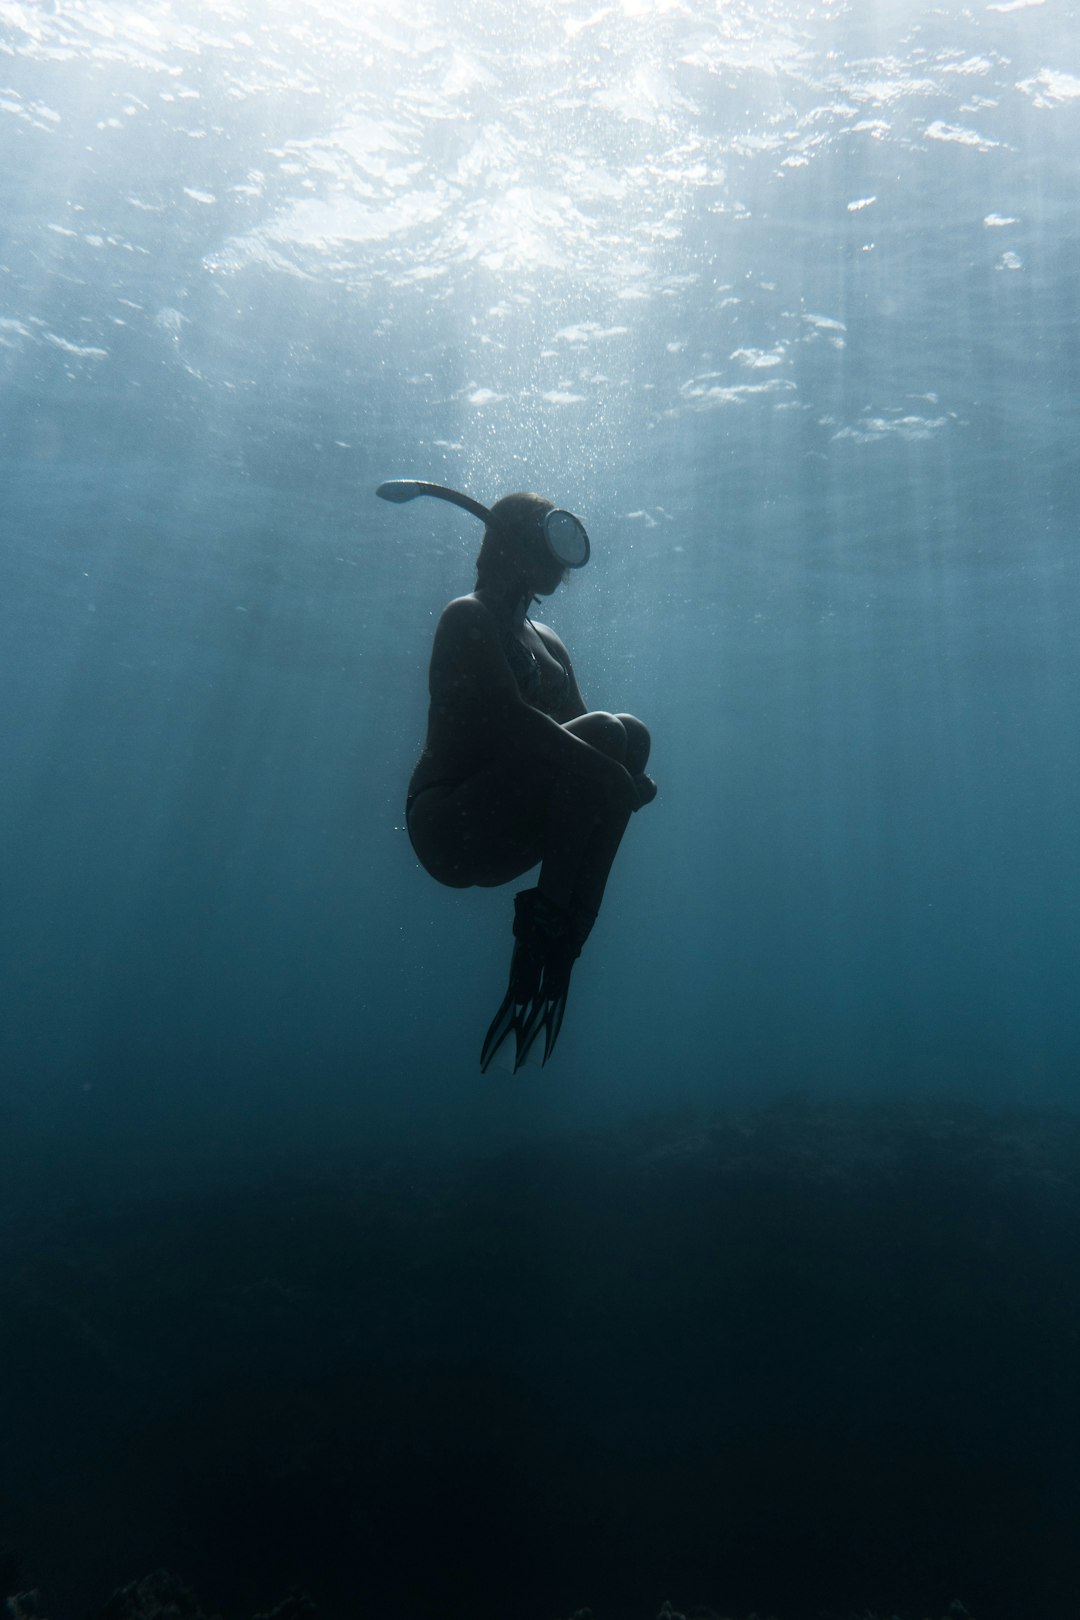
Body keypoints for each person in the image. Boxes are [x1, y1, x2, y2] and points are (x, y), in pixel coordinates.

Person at [379, 480, 656, 1072]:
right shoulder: (467, 617)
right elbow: (516, 724)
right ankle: (539, 944)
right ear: (511, 546)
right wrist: (612, 769)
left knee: (628, 732)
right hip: (449, 825)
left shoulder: (547, 639)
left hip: (497, 825)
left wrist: (626, 770)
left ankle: (565, 949)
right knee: (609, 740)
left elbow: (582, 731)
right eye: (544, 538)